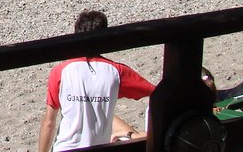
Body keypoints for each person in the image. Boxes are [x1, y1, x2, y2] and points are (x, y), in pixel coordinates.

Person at [38, 10, 155, 152]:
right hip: (99, 147)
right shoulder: (117, 71)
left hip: (64, 147)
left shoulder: (60, 71)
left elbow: (49, 123)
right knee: (105, 115)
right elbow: (156, 91)